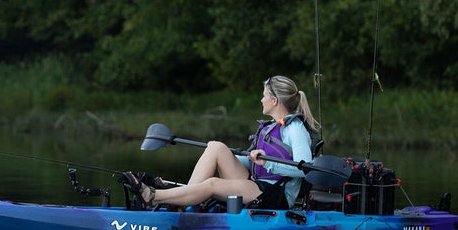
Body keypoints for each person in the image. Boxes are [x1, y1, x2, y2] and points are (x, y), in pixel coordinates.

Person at [124, 76, 320, 210]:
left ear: (275, 101)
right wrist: (230, 157)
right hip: (257, 184)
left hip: (276, 194)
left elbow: (305, 169)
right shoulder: (271, 126)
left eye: (264, 95)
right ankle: (184, 200)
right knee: (216, 147)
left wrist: (267, 163)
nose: (261, 99)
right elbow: (254, 165)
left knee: (213, 184)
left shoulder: (295, 129)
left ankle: (153, 196)